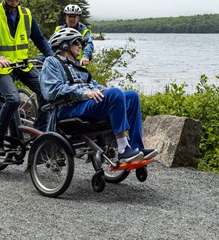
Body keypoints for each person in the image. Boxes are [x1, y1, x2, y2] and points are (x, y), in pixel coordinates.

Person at [40, 28, 157, 164]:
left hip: (87, 104)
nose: (80, 46)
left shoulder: (76, 66)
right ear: (65, 45)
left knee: (131, 96)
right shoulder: (52, 62)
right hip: (69, 108)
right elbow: (52, 90)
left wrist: (101, 89)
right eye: (77, 42)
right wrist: (84, 94)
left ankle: (137, 147)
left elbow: (91, 83)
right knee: (115, 93)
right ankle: (123, 149)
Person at [0, 0, 55, 156]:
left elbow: (39, 39)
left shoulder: (27, 15)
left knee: (48, 91)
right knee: (13, 99)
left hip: (22, 65)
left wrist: (53, 59)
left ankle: (39, 135)